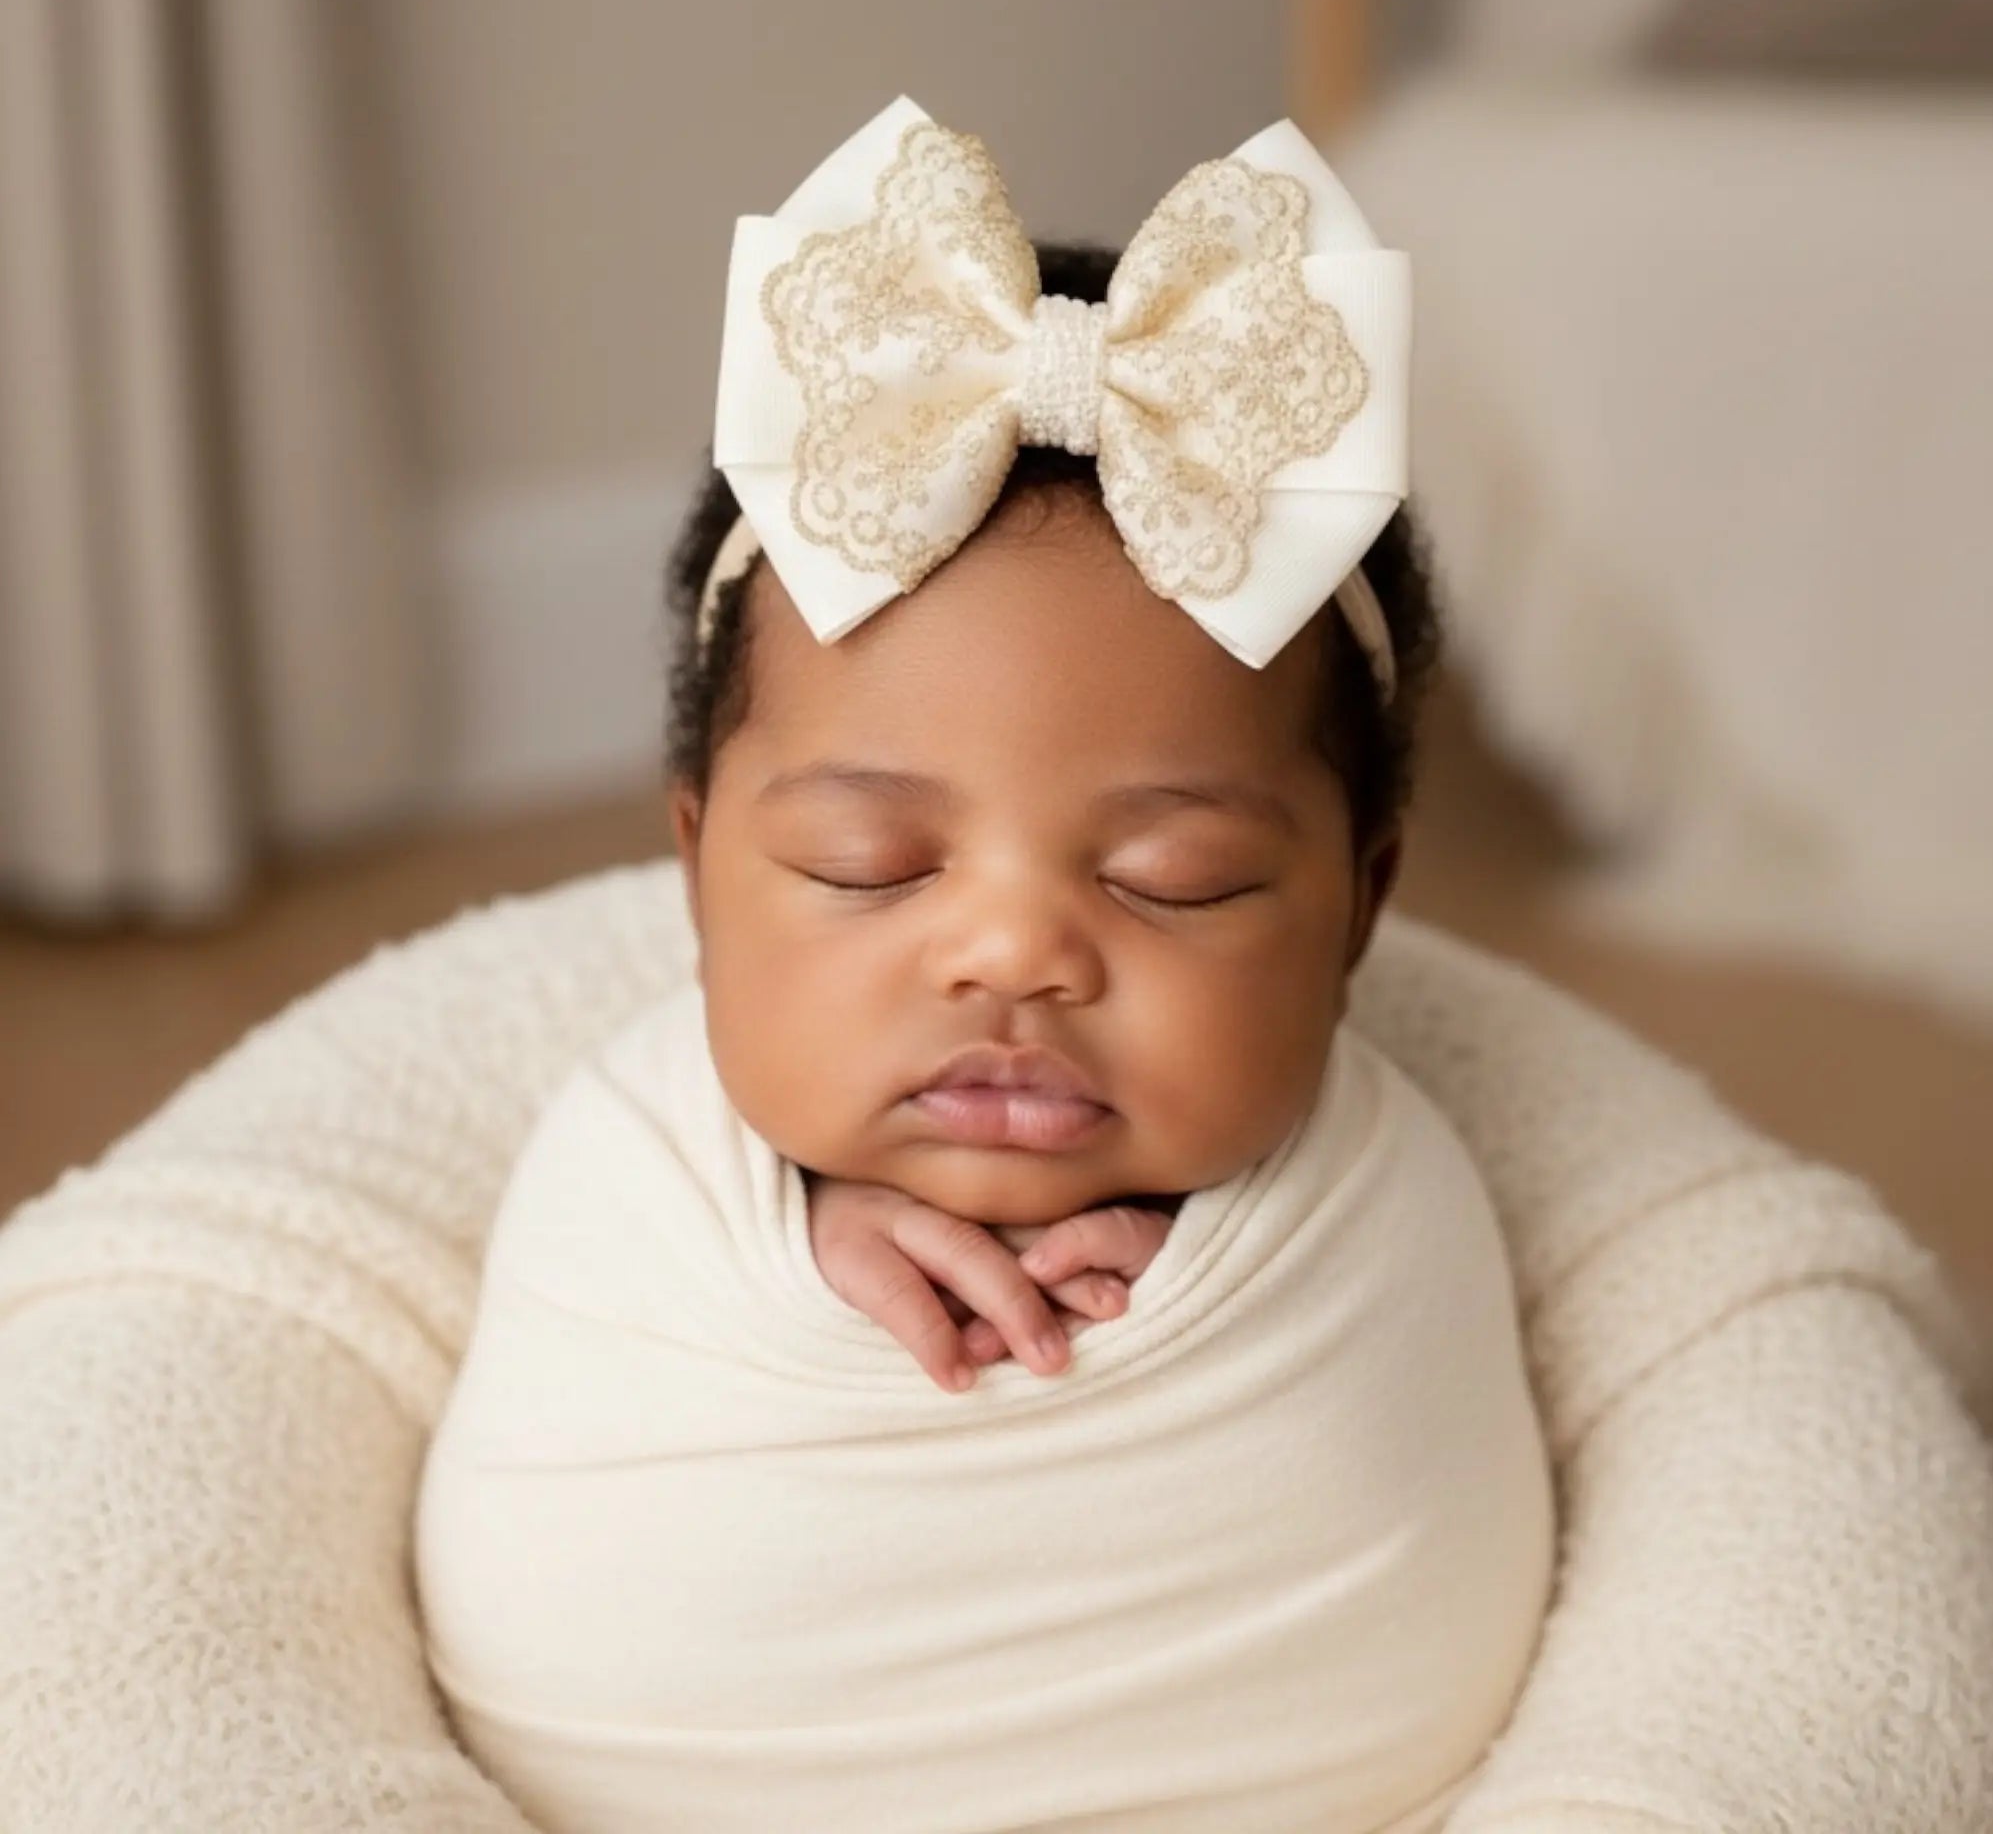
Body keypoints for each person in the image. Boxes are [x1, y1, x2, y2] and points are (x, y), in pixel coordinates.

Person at [413, 97, 1558, 1832]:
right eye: (863, 867)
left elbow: (1434, 1540)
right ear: (698, 871)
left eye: (1179, 881)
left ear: (1362, 910)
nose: (1016, 950)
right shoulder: (628, 1158)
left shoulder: (1404, 1186)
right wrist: (801, 1238)